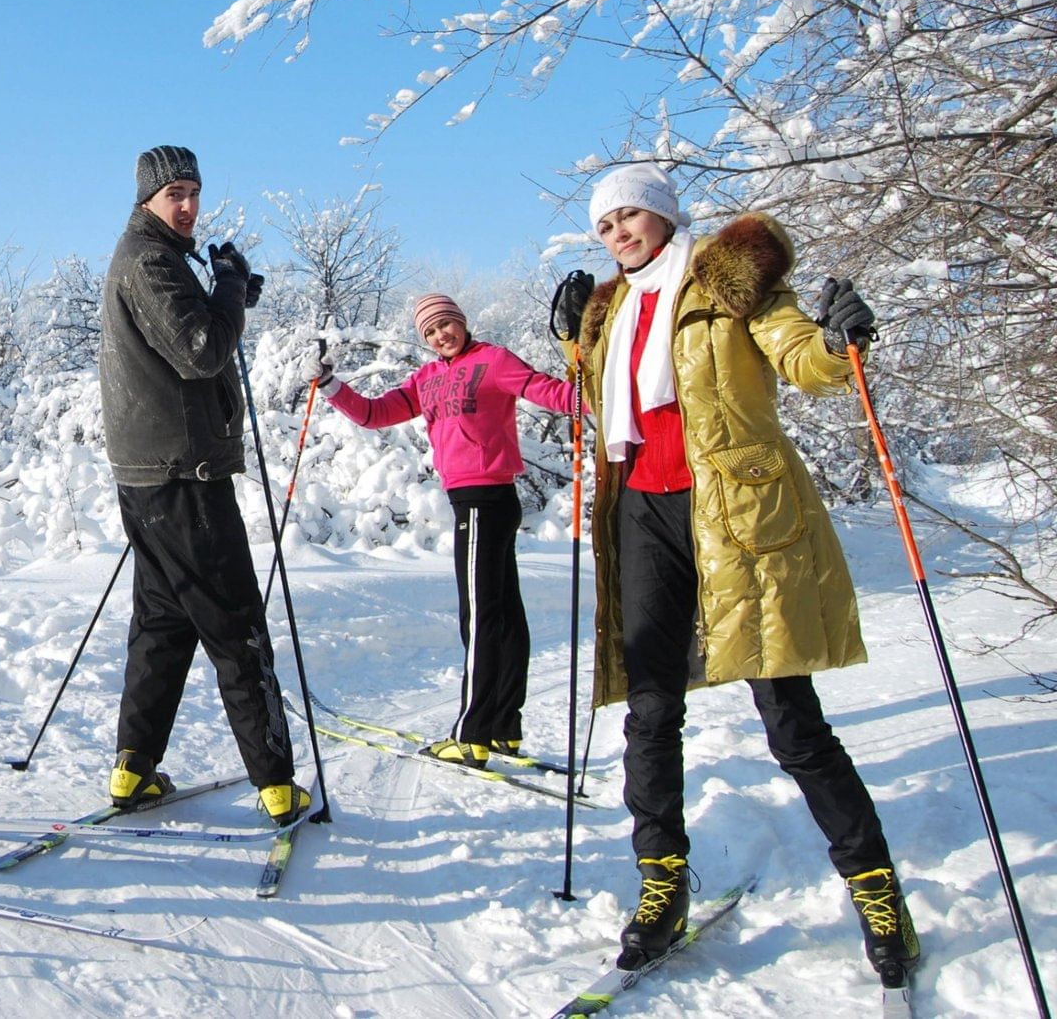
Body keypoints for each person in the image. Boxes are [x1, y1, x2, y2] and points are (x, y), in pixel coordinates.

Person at [552, 161, 917, 984]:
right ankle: (661, 885)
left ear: (664, 216)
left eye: (630, 218)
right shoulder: (611, 308)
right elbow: (602, 402)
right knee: (650, 714)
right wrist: (574, 341)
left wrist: (837, 340)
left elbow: (800, 357)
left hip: (734, 513)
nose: (617, 235)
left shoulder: (728, 282)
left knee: (789, 717)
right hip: (641, 515)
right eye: (604, 226)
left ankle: (876, 890)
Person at [97, 145, 308, 827]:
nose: (186, 205)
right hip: (183, 472)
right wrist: (225, 294)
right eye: (173, 194)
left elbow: (191, 337)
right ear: (146, 199)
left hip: (153, 472)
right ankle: (276, 784)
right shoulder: (150, 259)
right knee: (236, 625)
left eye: (192, 191)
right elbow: (202, 351)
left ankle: (132, 769)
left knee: (162, 625)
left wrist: (229, 295)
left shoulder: (159, 256)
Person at [303, 293, 580, 767]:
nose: (440, 336)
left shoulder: (493, 360)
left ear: (462, 322)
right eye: (430, 332)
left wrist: (588, 379)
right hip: (470, 502)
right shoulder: (427, 378)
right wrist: (330, 385)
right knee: (504, 614)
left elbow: (550, 393)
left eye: (446, 325)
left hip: (488, 499)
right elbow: (375, 414)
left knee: (480, 615)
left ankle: (472, 733)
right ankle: (502, 728)